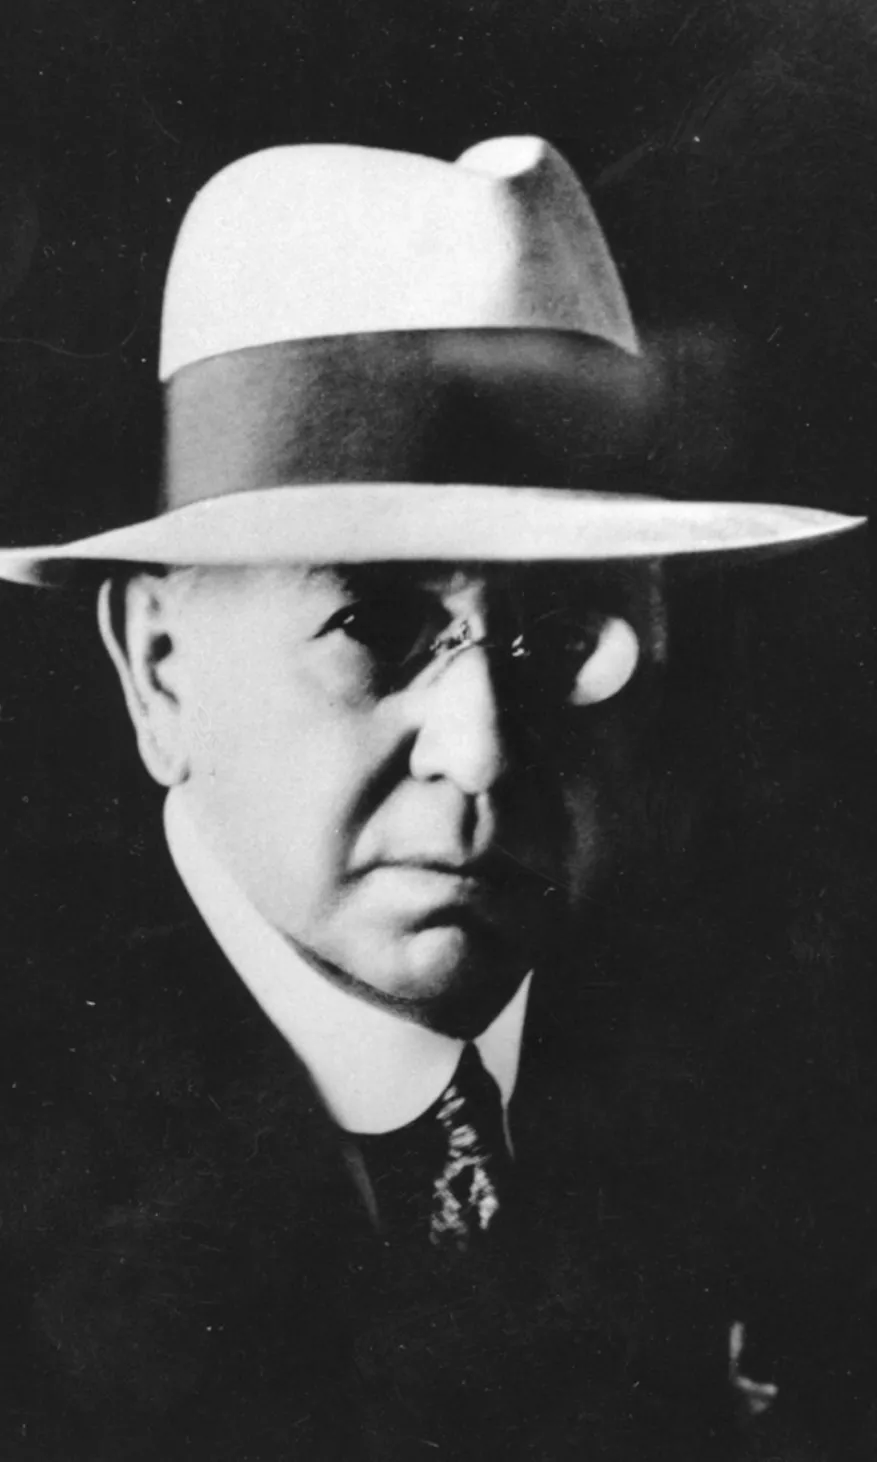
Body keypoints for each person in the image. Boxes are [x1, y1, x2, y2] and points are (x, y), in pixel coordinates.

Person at [0, 135, 864, 1461]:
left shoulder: (780, 1102)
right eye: (379, 619)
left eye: (564, 635)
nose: (484, 749)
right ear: (161, 667)